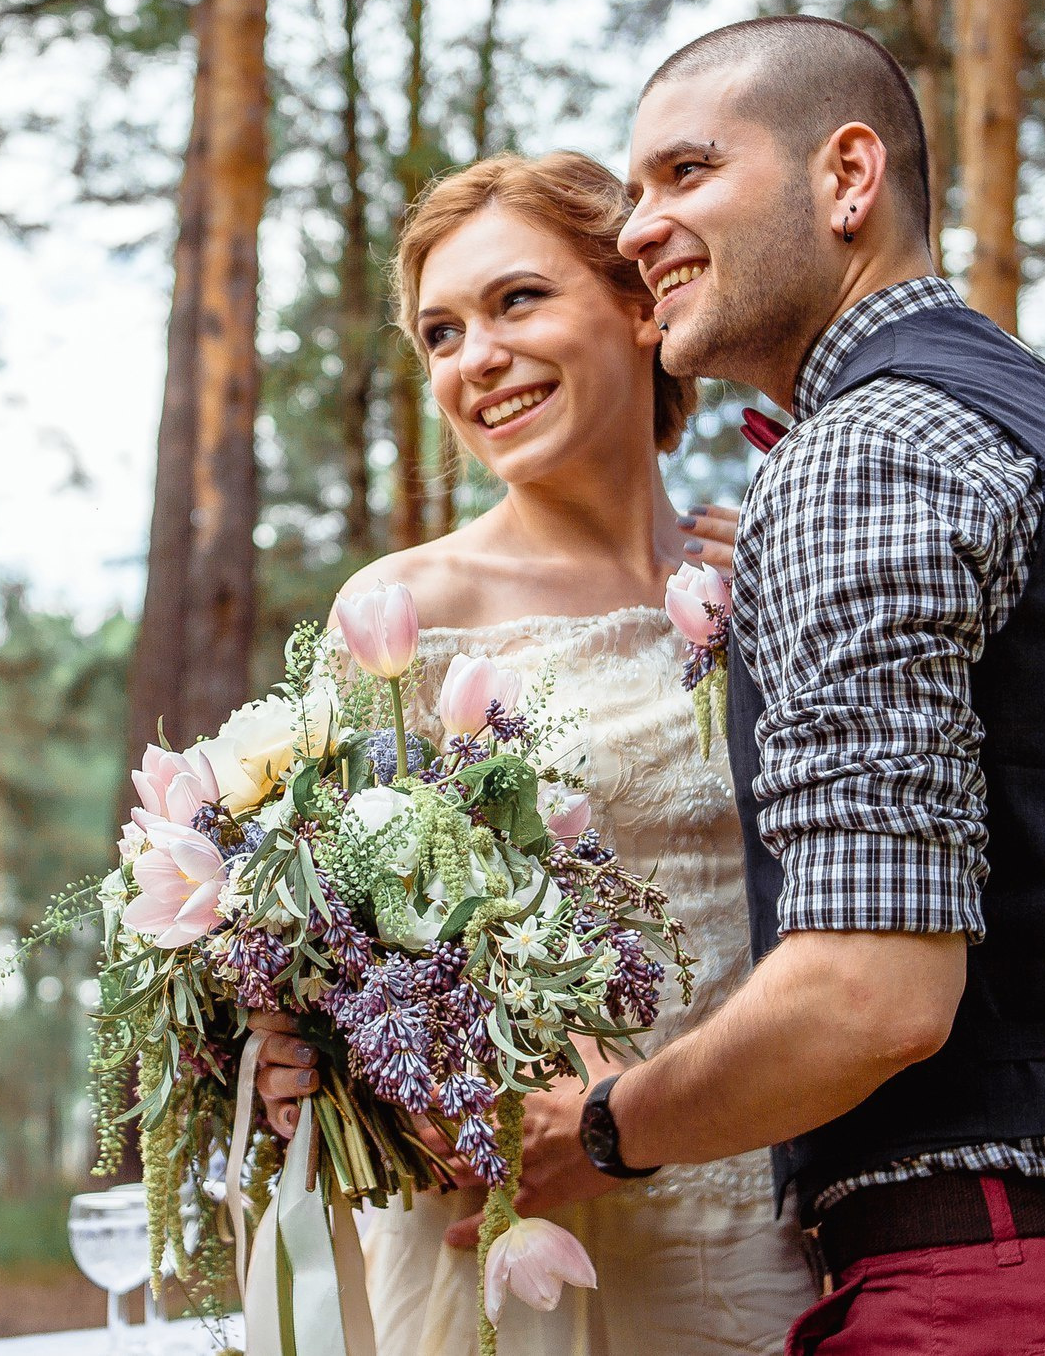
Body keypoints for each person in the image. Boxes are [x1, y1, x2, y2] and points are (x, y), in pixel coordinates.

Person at [505, 15, 1045, 1353]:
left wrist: (605, 1124)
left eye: (686, 170)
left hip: (1020, 1287)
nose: (637, 227)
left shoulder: (863, 447)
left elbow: (871, 992)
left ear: (848, 178)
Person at [251, 149, 815, 1355]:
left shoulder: (762, 575)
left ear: (636, 301)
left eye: (516, 301)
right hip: (486, 1235)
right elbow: (314, 931)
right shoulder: (398, 615)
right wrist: (289, 1045)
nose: (476, 360)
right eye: (441, 334)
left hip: (742, 1226)